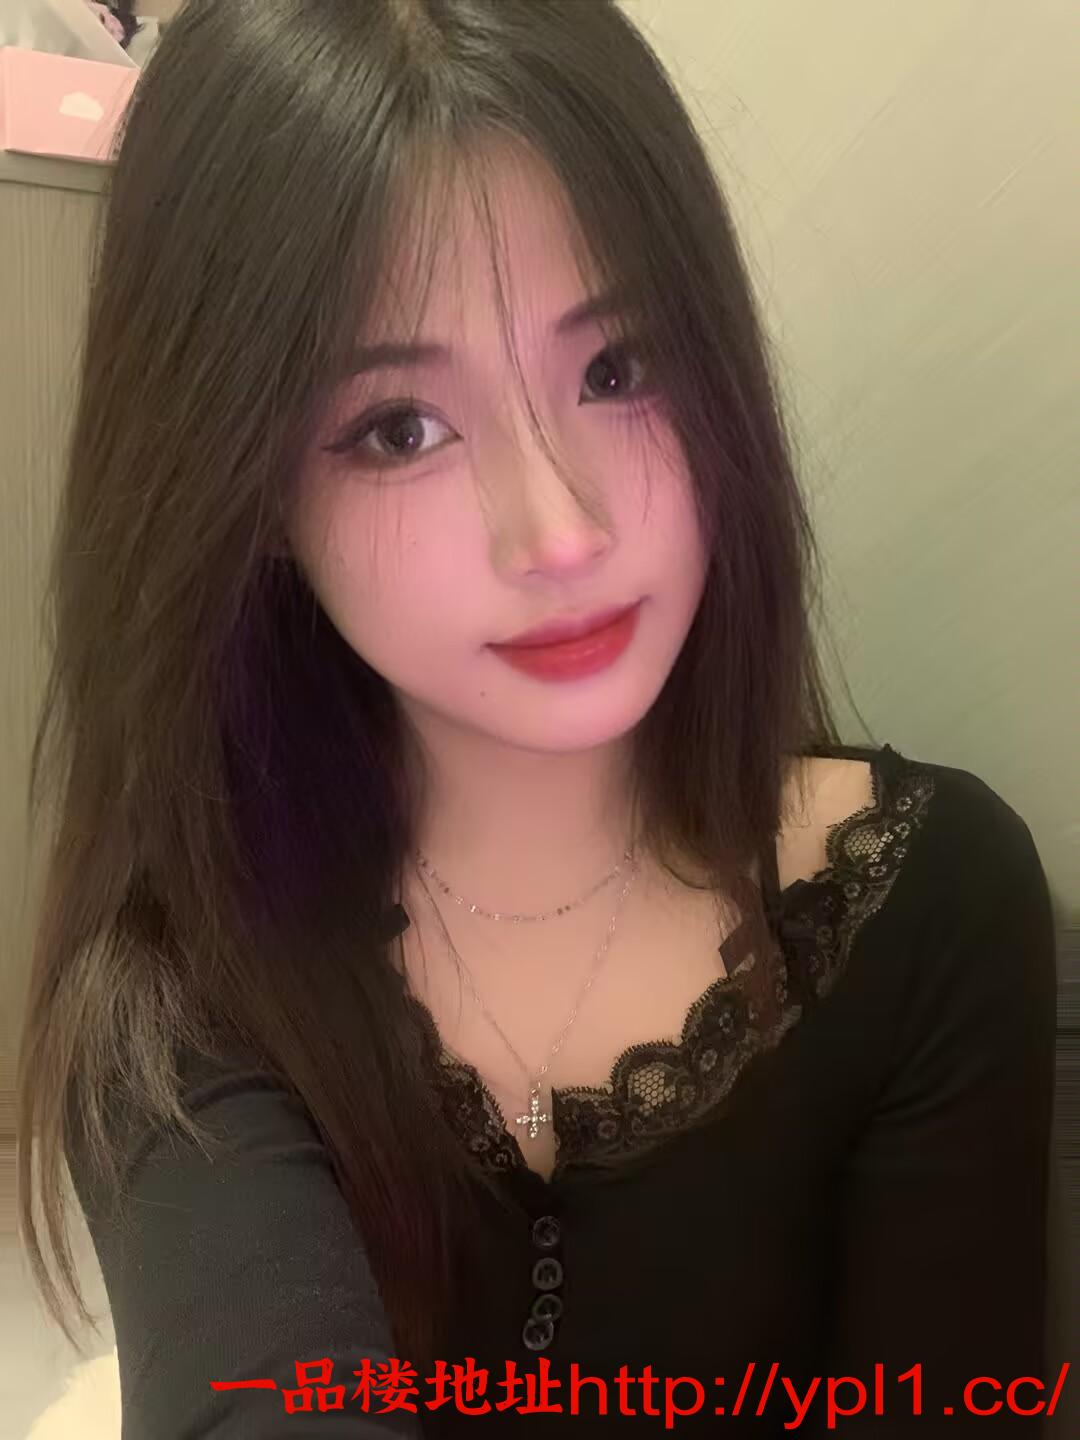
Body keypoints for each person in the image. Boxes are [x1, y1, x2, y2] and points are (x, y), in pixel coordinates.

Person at [15, 1, 1057, 1435]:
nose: (560, 531)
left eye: (618, 370)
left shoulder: (929, 907)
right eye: (399, 428)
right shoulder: (187, 969)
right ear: (239, 487)